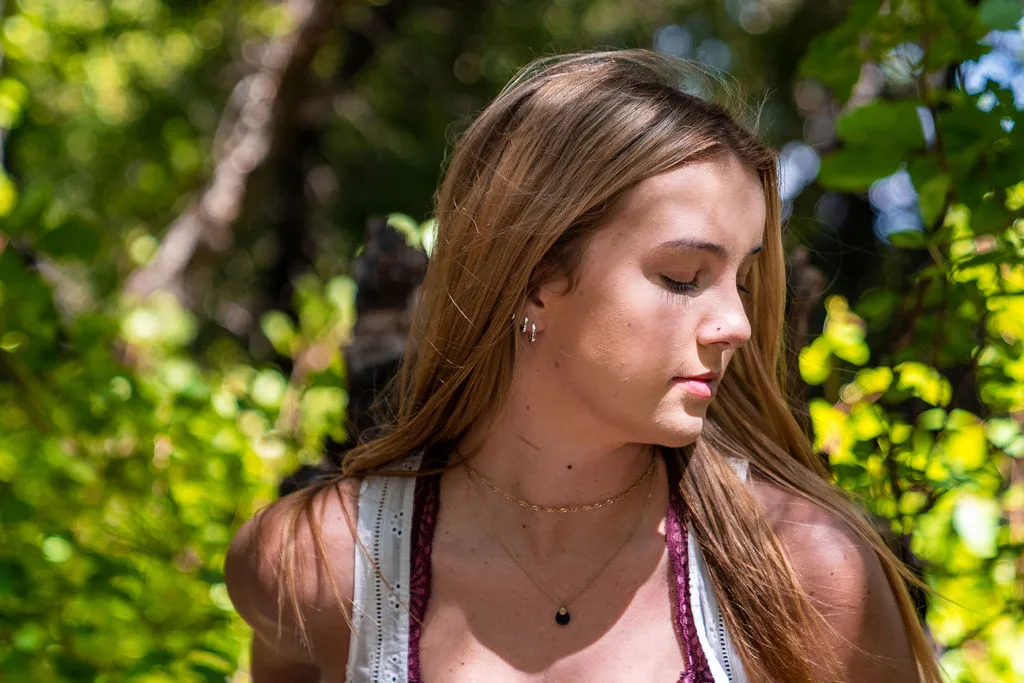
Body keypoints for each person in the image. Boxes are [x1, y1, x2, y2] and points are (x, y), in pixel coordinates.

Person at [225, 50, 942, 683]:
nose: (738, 325)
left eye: (743, 281)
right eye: (685, 276)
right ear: (535, 274)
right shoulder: (318, 565)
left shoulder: (803, 575)